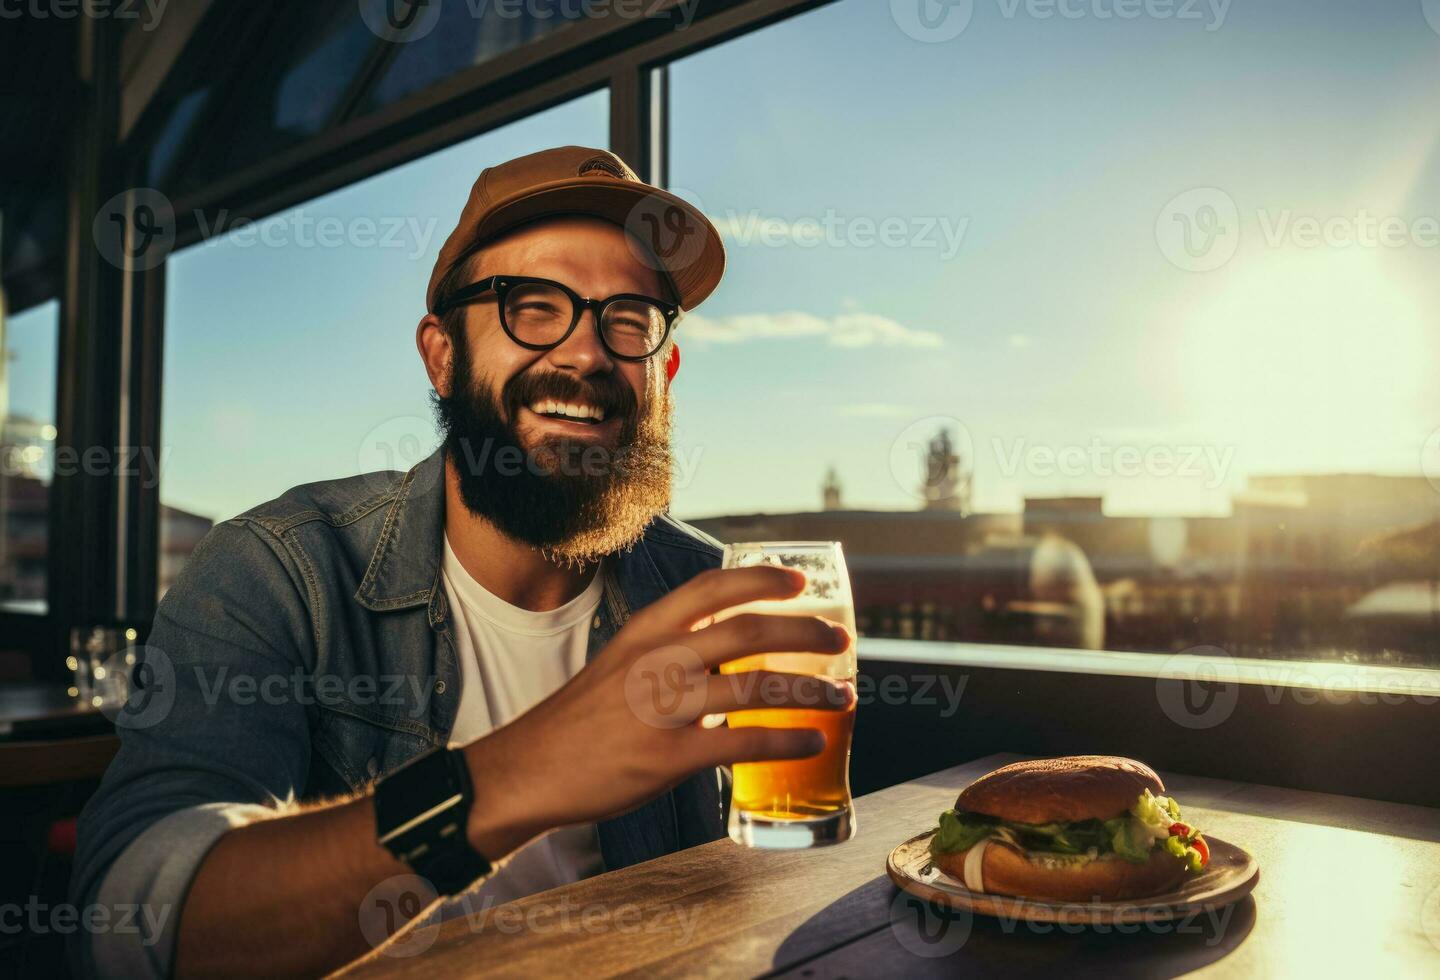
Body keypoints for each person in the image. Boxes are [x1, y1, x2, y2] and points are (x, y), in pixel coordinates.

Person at [71, 147, 854, 978]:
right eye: (534, 307)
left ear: (663, 370)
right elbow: (137, 927)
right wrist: (516, 778)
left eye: (628, 319)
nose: (587, 355)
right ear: (442, 355)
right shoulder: (280, 569)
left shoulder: (708, 590)